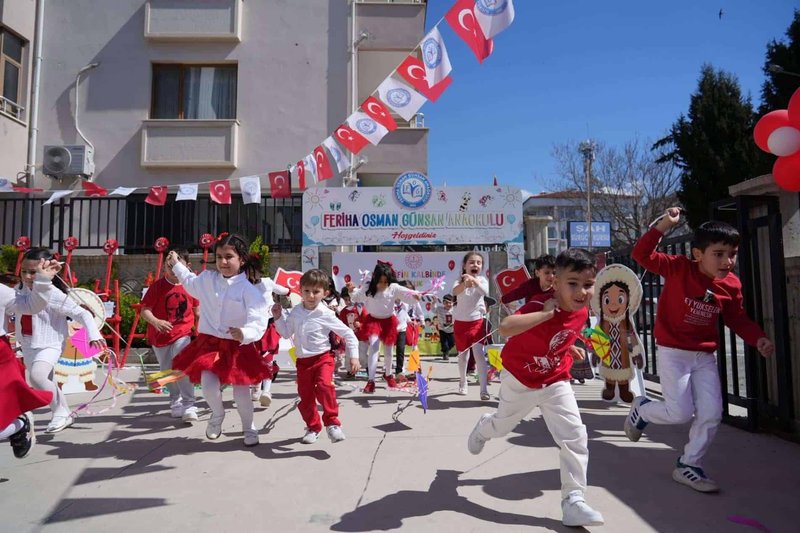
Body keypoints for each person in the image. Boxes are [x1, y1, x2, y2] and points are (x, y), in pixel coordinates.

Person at [626, 209, 775, 493]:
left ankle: (688, 464)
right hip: (673, 352)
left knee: (711, 412)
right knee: (679, 413)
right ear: (698, 254)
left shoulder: (731, 284)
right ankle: (643, 409)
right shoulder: (679, 267)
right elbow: (641, 255)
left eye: (732, 254)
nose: (727, 261)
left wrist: (758, 339)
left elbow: (737, 319)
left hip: (704, 356)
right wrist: (662, 226)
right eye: (718, 253)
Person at [467, 249, 604, 528]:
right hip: (520, 380)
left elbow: (565, 330)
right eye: (573, 283)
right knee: (501, 427)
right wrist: (543, 315)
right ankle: (484, 427)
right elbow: (506, 327)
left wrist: (571, 348)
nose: (581, 292)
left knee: (574, 435)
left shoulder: (582, 308)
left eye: (588, 285)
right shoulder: (541, 304)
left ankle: (573, 500)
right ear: (555, 283)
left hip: (555, 380)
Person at [166, 233, 269, 447]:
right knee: (207, 384)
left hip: (238, 346)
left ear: (241, 259)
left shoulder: (249, 291)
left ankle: (248, 427)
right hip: (210, 343)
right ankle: (217, 414)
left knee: (242, 393)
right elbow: (189, 282)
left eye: (229, 257)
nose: (223, 262)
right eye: (219, 256)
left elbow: (259, 320)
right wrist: (176, 264)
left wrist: (245, 332)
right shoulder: (207, 279)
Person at [17, 248, 105, 433]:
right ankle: (63, 413)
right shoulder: (18, 290)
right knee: (43, 381)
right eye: (24, 270)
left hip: (50, 343)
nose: (27, 276)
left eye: (33, 272)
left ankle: (61, 412)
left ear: (48, 271)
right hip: (27, 344)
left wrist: (93, 335)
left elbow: (82, 313)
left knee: (37, 377)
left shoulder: (51, 292)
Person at [273, 269, 359, 444]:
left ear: (325, 293)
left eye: (316, 292)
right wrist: (277, 317)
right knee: (305, 397)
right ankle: (313, 427)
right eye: (306, 291)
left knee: (325, 386)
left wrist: (354, 357)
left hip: (323, 358)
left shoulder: (326, 313)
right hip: (303, 362)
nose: (311, 296)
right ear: (300, 290)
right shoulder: (296, 312)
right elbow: (285, 332)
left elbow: (349, 334)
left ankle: (332, 424)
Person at [1, 260, 61, 458]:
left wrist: (42, 281)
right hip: (21, 347)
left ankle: (18, 425)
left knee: (37, 376)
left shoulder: (2, 292)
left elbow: (31, 306)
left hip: (6, 358)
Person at [140, 248, 200, 422]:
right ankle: (176, 400)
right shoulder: (157, 286)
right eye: (169, 265)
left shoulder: (191, 285)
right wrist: (156, 322)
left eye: (176, 265)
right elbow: (145, 311)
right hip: (160, 337)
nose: (172, 270)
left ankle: (189, 404)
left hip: (183, 333)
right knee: (167, 370)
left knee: (181, 364)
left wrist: (204, 329)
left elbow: (198, 311)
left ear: (187, 266)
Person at [345, 261, 420, 393]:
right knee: (374, 348)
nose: (383, 284)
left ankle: (388, 374)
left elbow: (409, 295)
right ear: (375, 278)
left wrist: (416, 297)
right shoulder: (369, 288)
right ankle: (371, 380)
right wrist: (351, 290)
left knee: (389, 351)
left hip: (389, 322)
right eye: (380, 281)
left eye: (386, 281)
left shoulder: (394, 287)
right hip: (373, 321)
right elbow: (357, 297)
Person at [452, 252, 491, 400]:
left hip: (477, 322)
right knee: (463, 357)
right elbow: (455, 292)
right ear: (464, 265)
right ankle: (463, 382)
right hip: (461, 324)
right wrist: (464, 284)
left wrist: (474, 282)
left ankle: (483, 389)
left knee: (479, 355)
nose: (475, 265)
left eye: (478, 263)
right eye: (472, 262)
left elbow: (485, 292)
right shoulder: (458, 280)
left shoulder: (482, 280)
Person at [252, 276, 290, 408]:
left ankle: (266, 391)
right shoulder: (242, 282)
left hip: (268, 325)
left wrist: (288, 291)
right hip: (252, 327)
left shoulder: (267, 281)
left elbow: (284, 290)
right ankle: (256, 387)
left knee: (268, 358)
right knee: (254, 359)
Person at [338, 287, 369, 378]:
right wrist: (341, 336)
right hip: (350, 338)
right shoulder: (343, 312)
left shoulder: (360, 308)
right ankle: (350, 371)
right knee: (349, 354)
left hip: (361, 337)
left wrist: (361, 325)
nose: (348, 301)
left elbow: (368, 322)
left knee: (362, 355)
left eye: (349, 298)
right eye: (345, 299)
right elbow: (341, 324)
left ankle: (367, 368)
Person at [434, 294, 455, 361]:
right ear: (443, 303)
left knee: (452, 343)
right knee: (444, 343)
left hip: (452, 330)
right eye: (446, 303)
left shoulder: (455, 310)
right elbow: (432, 309)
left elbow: (459, 318)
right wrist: (434, 302)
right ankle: (445, 354)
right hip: (442, 329)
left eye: (450, 303)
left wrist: (454, 323)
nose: (448, 304)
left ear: (452, 303)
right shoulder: (439, 309)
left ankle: (446, 351)